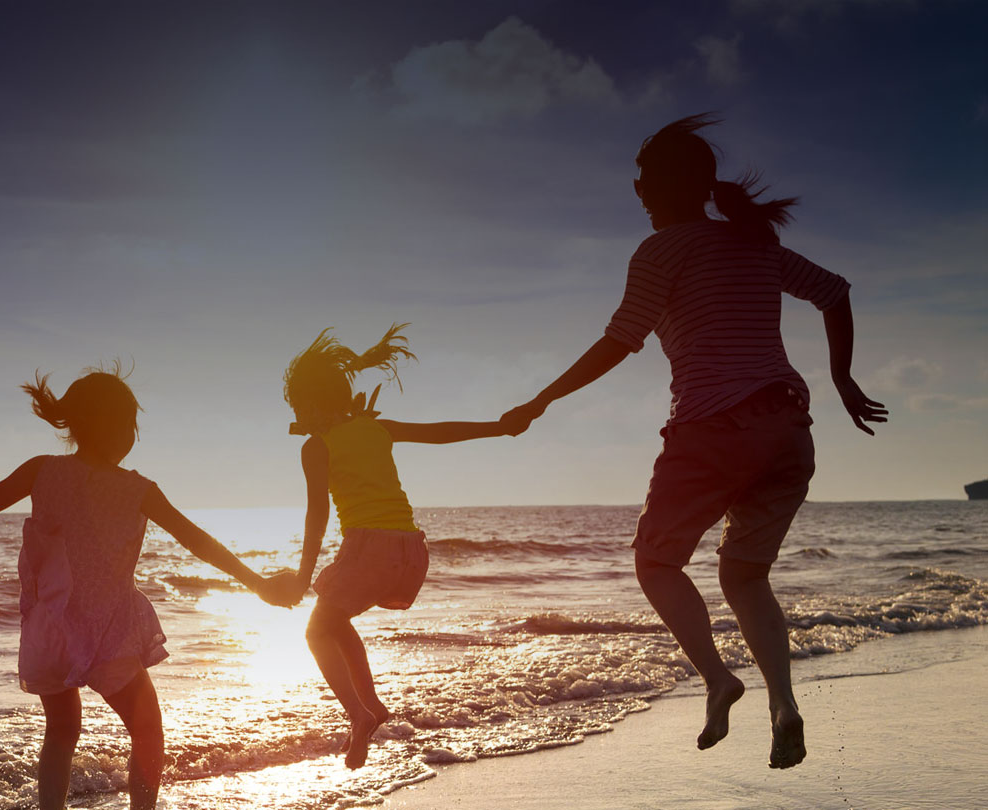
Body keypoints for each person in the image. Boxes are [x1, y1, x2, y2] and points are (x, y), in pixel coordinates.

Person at [501, 114, 887, 769]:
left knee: (655, 561)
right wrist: (843, 380)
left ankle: (718, 679)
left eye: (646, 180)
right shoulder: (751, 244)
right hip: (790, 431)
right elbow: (834, 293)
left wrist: (542, 398)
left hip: (714, 428)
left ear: (679, 186)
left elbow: (620, 340)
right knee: (745, 574)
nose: (638, 190)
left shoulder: (663, 250)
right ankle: (782, 706)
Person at [0, 367, 298, 810]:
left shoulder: (41, 469)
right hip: (109, 631)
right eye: (131, 423)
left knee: (62, 731)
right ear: (118, 428)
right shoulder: (138, 488)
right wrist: (257, 583)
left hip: (51, 632)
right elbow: (197, 542)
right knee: (148, 728)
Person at [282, 324, 511, 769]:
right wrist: (498, 428)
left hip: (369, 549)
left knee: (315, 631)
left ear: (312, 404)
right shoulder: (376, 427)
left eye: (296, 405)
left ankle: (359, 713)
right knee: (334, 619)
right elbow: (440, 432)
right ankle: (371, 708)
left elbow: (317, 516)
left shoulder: (316, 447)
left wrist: (302, 576)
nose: (295, 413)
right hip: (411, 552)